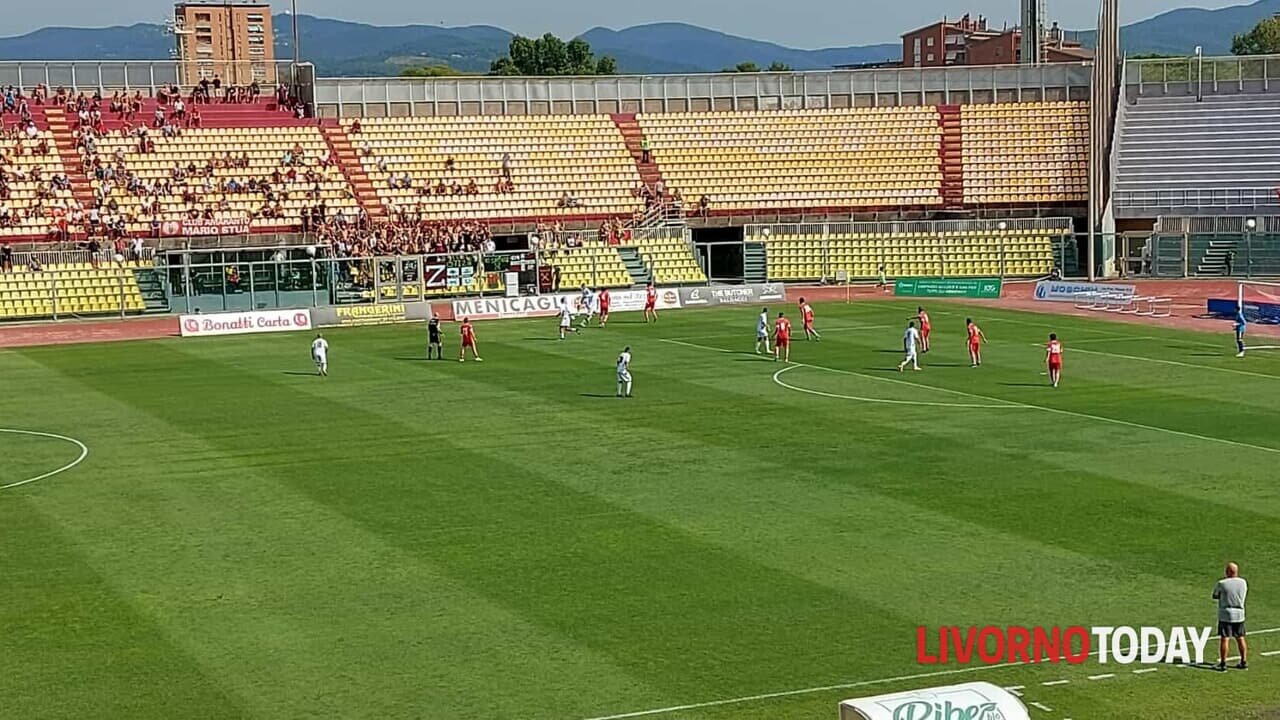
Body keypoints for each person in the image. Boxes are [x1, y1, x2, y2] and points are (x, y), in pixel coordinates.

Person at [1212, 562, 1248, 672]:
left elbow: (1215, 595)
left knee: (1225, 638)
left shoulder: (1222, 583)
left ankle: (1223, 663)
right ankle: (1243, 661)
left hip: (1226, 614)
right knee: (1240, 638)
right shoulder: (1243, 582)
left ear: (1227, 572)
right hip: (1239, 614)